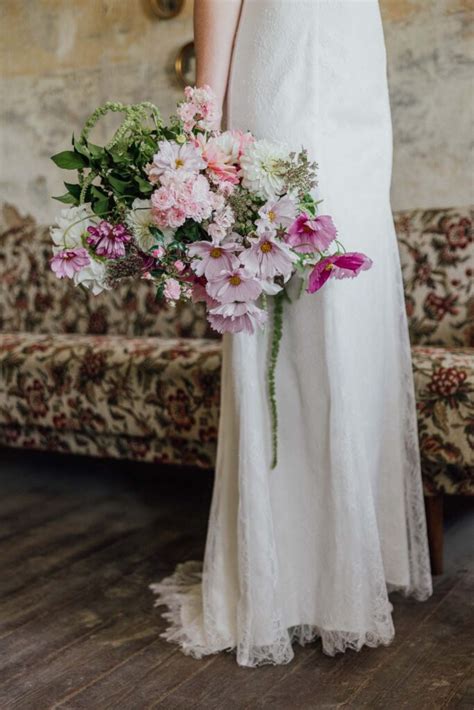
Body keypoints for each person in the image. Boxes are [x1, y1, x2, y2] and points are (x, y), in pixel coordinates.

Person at [151, 0, 432, 668]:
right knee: (300, 304)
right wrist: (205, 122)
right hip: (281, 66)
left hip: (354, 73)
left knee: (351, 304)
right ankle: (283, 579)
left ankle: (345, 565)